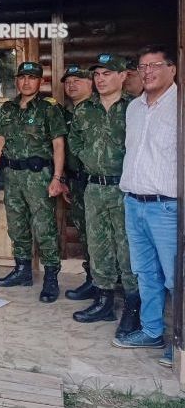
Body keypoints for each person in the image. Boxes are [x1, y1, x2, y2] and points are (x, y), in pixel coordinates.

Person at [114, 45, 178, 368]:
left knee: (175, 277)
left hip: (167, 208)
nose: (148, 72)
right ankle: (152, 331)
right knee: (146, 274)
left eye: (155, 65)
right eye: (142, 67)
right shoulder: (134, 109)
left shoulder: (180, 106)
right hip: (134, 204)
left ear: (172, 69)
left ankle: (180, 344)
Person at [68, 55, 139, 338]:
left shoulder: (135, 108)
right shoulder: (85, 111)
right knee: (99, 246)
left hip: (125, 188)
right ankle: (104, 301)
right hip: (94, 188)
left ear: (122, 76)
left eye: (107, 73)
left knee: (128, 248)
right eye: (97, 74)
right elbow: (74, 141)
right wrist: (88, 157)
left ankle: (134, 306)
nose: (100, 79)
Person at [0, 61, 67, 303]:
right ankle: (22, 270)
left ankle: (51, 277)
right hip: (12, 175)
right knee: (17, 225)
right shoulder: (8, 109)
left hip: (38, 176)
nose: (26, 82)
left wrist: (57, 177)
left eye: (32, 78)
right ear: (17, 81)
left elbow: (58, 144)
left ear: (40, 81)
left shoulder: (49, 109)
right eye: (22, 77)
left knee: (44, 227)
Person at [60, 65, 96, 301]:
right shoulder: (66, 113)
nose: (71, 85)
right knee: (85, 233)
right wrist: (63, 178)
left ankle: (108, 284)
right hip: (75, 182)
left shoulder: (98, 110)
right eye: (68, 81)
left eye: (78, 80)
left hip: (98, 183)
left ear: (91, 83)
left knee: (99, 235)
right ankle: (94, 280)